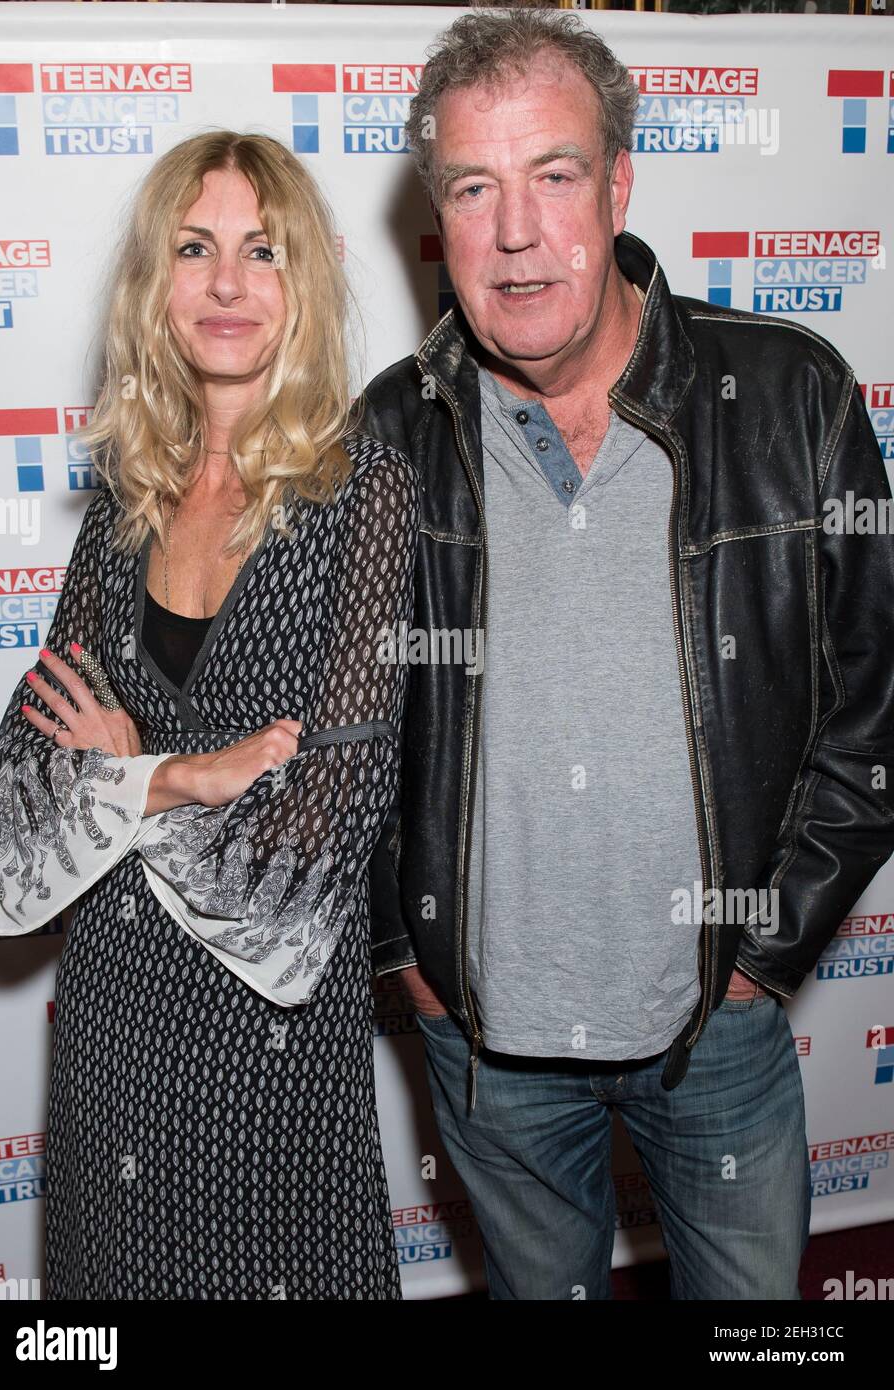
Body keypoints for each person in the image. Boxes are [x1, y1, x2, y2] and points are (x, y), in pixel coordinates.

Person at [358, 9, 894, 1299]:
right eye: (473, 187)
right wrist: (404, 962)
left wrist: (762, 959)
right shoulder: (388, 430)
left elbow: (873, 709)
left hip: (718, 1028)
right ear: (438, 213)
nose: (517, 229)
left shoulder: (787, 394)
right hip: (485, 1046)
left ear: (618, 184)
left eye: (554, 174)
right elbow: (344, 740)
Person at [0, 130, 418, 1300]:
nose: (227, 284)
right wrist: (181, 779)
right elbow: (8, 844)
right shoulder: (127, 502)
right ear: (154, 284)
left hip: (265, 1048)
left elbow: (309, 867)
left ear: (301, 282)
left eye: (261, 251)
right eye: (195, 248)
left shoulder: (364, 495)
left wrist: (120, 782)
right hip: (114, 1010)